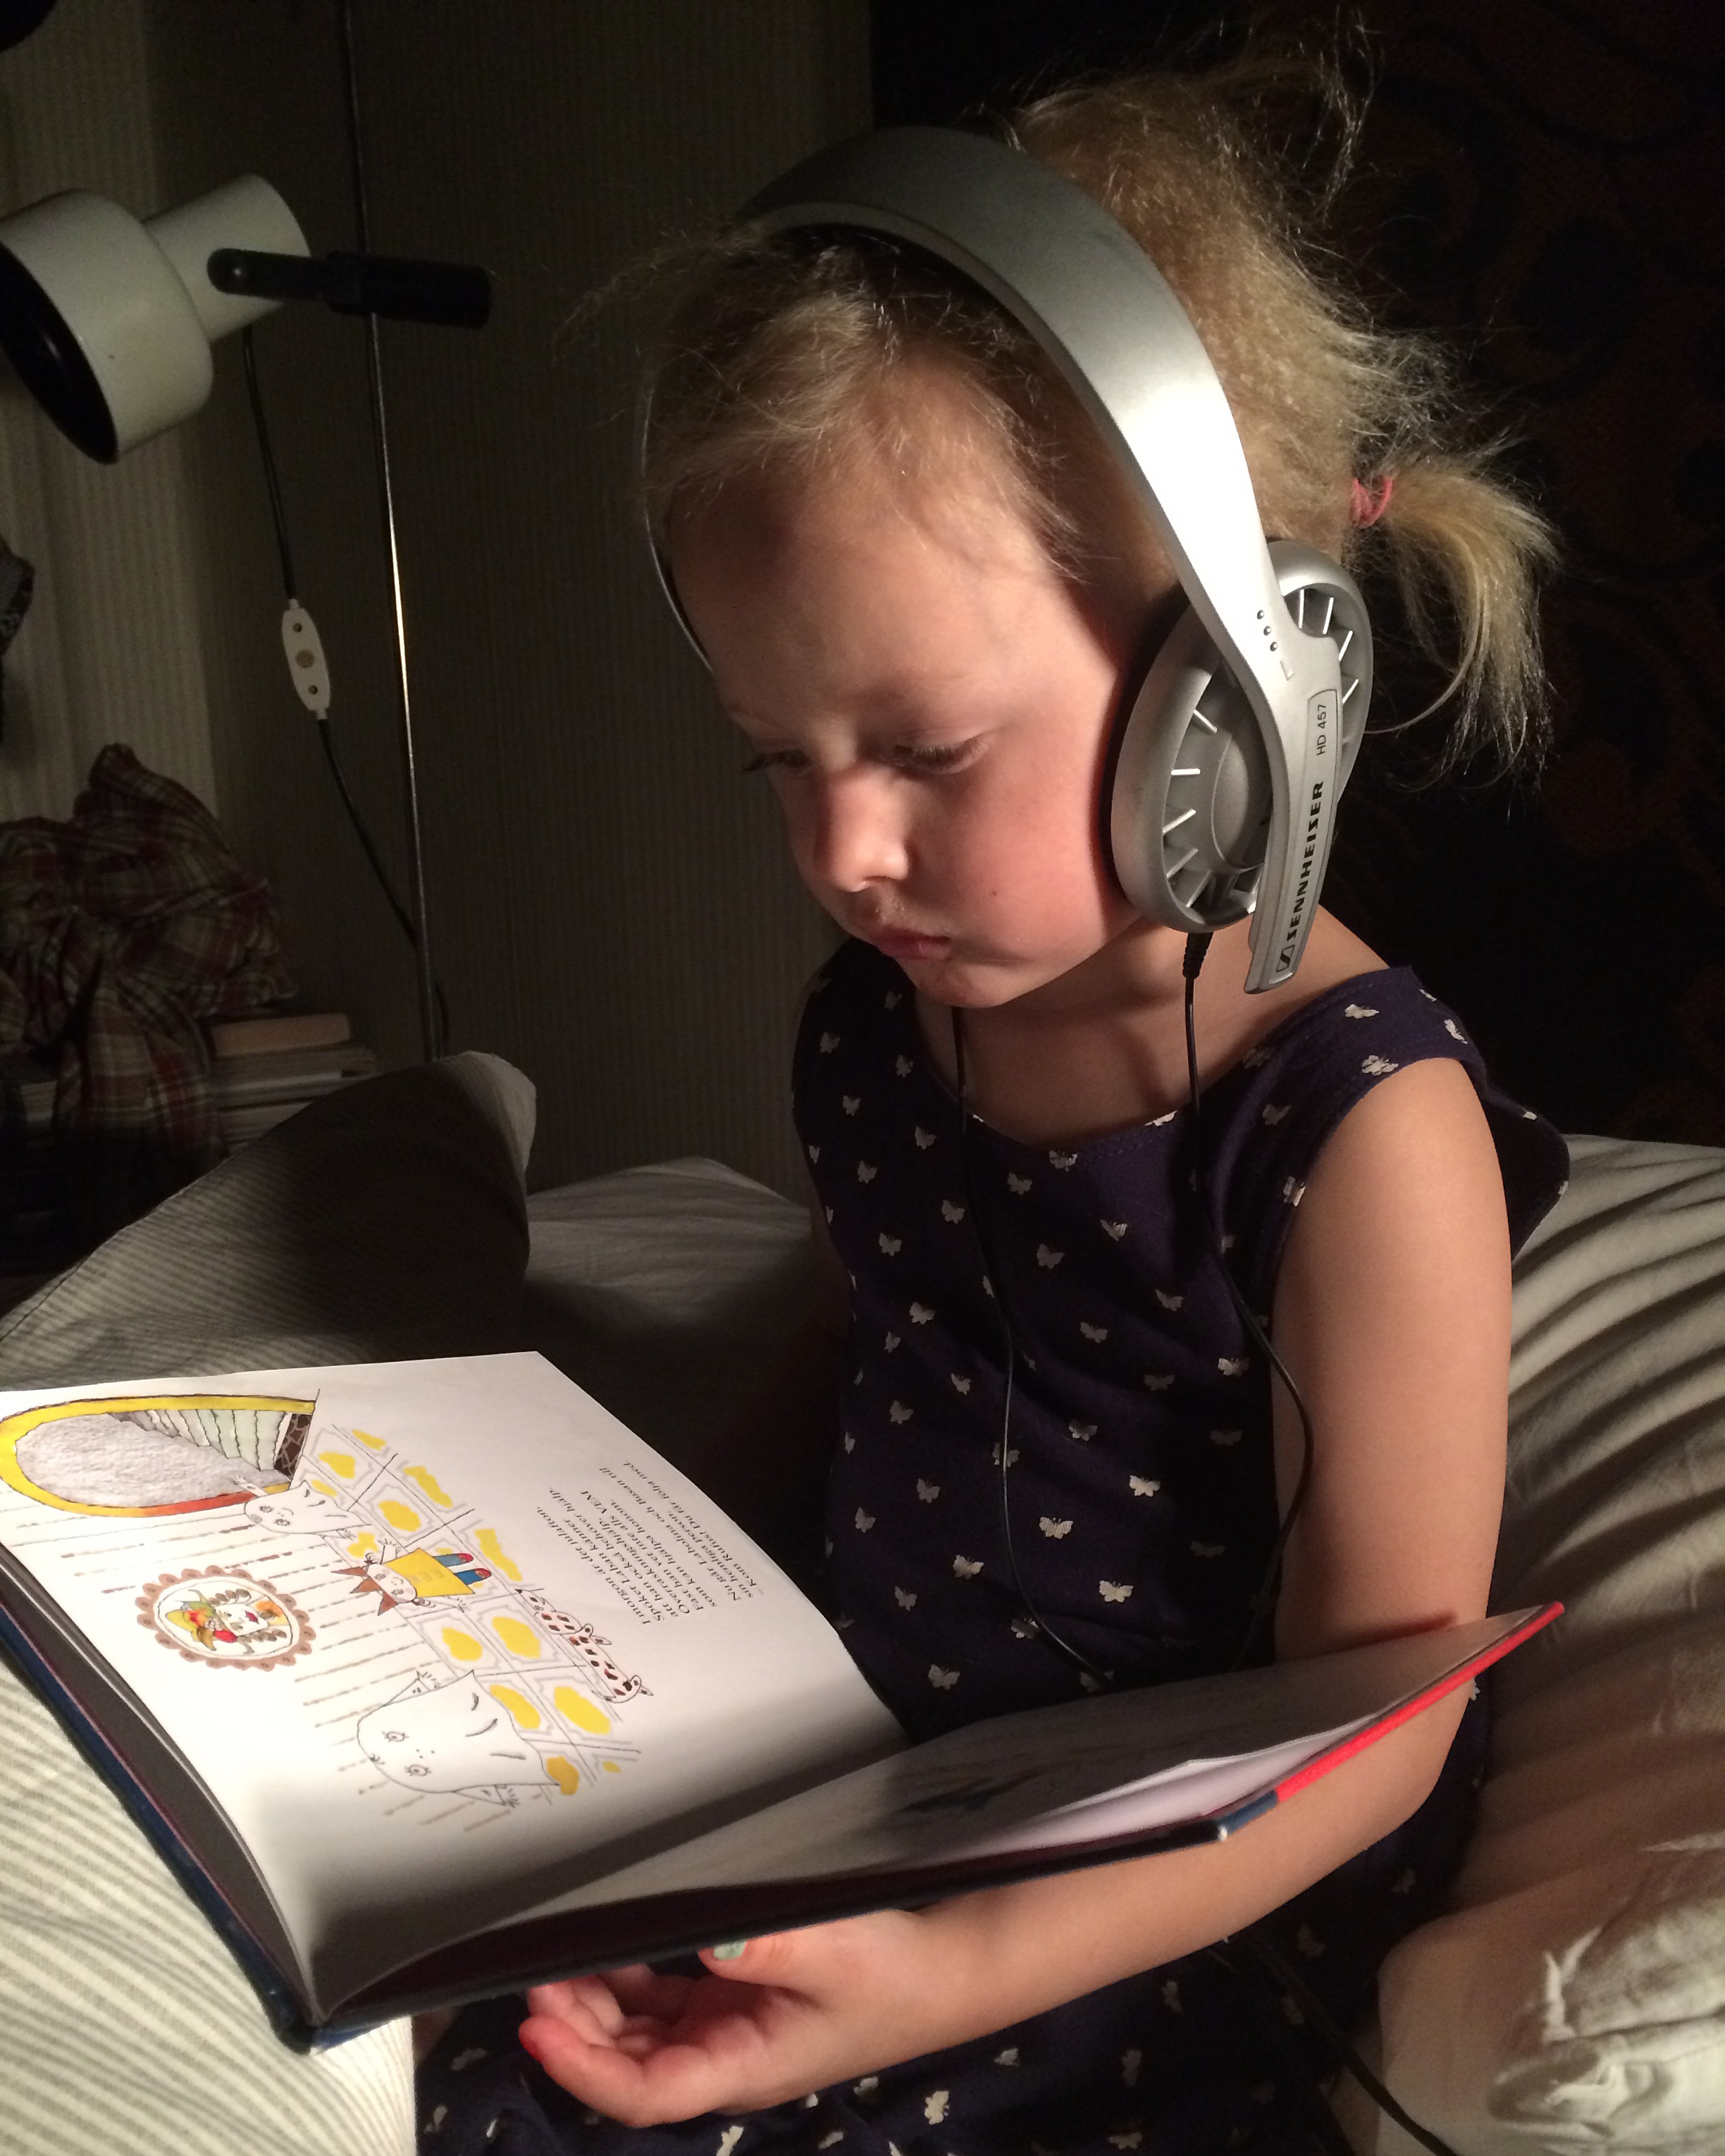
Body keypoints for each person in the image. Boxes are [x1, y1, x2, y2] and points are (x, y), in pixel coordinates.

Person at [419, 49, 1568, 2156]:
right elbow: (864, 1332)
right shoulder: (887, 1020)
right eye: (780, 756)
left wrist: (952, 1967)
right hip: (853, 1769)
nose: (842, 852)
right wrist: (613, 1604)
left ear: (1234, 694)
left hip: (1140, 1892)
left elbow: (1386, 1724)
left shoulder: (1363, 1126)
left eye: (926, 750)